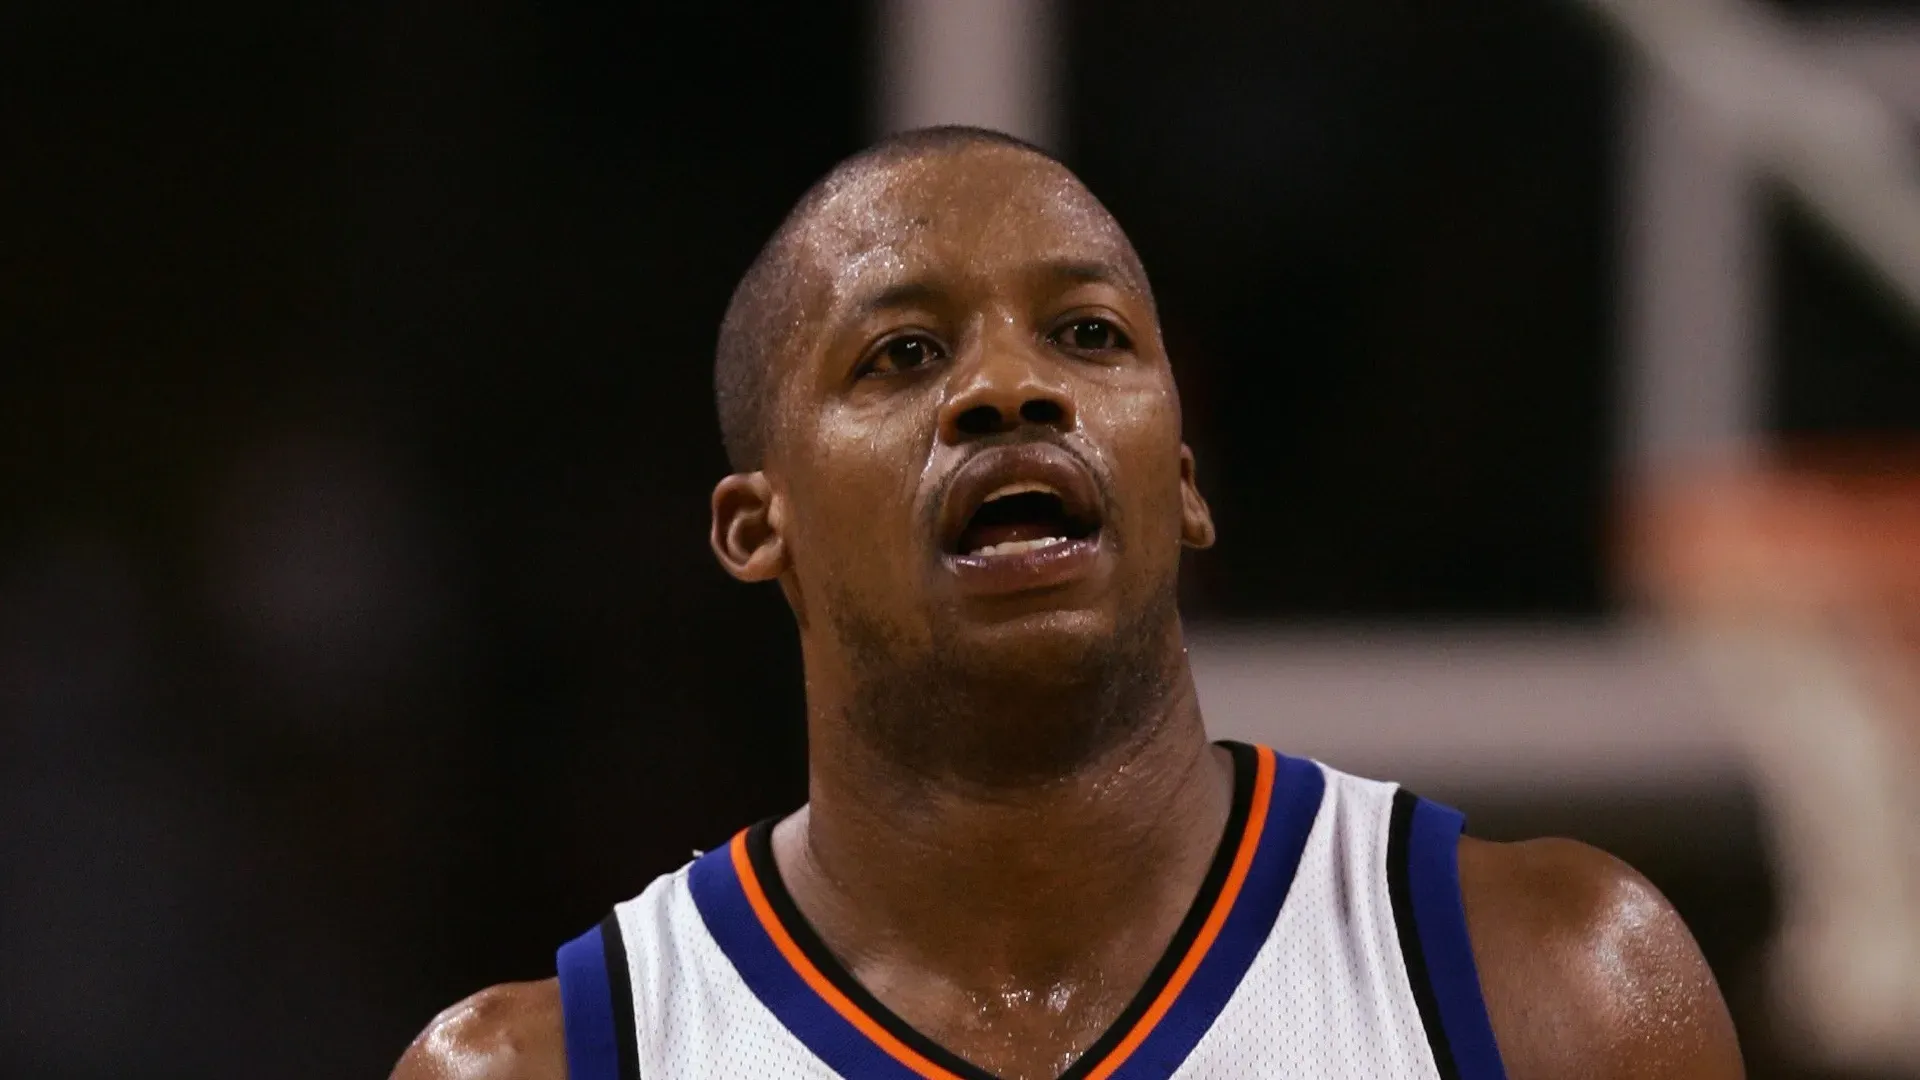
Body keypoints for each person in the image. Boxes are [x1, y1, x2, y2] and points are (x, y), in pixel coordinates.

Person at [390, 126, 1744, 1080]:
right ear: (758, 528)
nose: (1009, 389)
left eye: (1089, 334)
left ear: (1186, 483)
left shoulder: (1551, 987)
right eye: (902, 353)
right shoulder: (549, 1062)